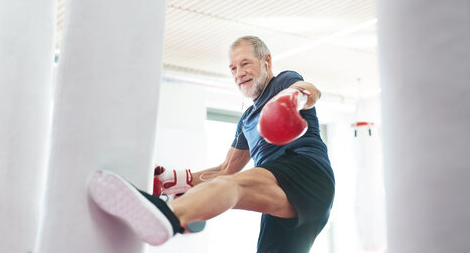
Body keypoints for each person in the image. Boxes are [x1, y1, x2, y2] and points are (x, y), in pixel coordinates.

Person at [89, 36, 335, 253]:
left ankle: (169, 215)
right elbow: (225, 169)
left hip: (306, 170)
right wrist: (170, 180)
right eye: (233, 68)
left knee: (232, 186)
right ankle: (170, 210)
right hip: (290, 195)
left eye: (245, 63)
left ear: (267, 62)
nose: (239, 74)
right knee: (230, 183)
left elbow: (310, 90)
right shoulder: (246, 120)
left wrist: (291, 100)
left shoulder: (283, 83)